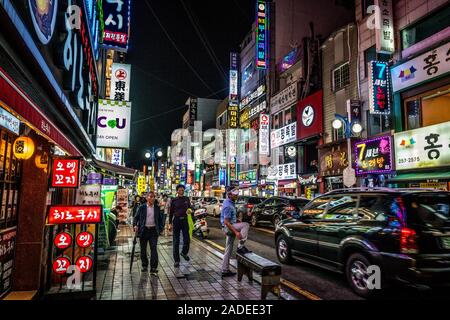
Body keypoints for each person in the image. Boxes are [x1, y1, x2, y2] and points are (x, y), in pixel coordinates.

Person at [220, 186, 251, 278]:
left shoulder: (230, 202)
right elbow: (226, 221)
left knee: (228, 250)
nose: (236, 196)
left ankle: (225, 270)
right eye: (235, 195)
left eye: (237, 194)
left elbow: (229, 219)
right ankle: (240, 246)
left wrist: (237, 220)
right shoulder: (228, 205)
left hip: (228, 226)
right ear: (229, 195)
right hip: (228, 227)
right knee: (246, 225)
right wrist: (236, 232)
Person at [133, 191, 164, 274]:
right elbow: (136, 218)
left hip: (153, 231)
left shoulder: (157, 208)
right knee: (143, 249)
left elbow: (160, 220)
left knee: (153, 248)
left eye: (153, 197)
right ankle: (144, 265)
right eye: (150, 196)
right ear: (146, 198)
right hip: (144, 230)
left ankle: (153, 267)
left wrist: (161, 229)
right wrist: (135, 225)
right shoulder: (142, 207)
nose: (152, 198)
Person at [168, 184, 192, 267]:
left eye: (182, 190)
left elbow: (190, 208)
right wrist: (170, 223)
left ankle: (184, 252)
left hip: (185, 220)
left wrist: (190, 210)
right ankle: (176, 260)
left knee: (187, 239)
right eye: (180, 190)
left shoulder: (186, 199)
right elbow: (171, 213)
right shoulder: (174, 200)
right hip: (176, 221)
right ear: (177, 191)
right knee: (176, 241)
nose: (181, 191)